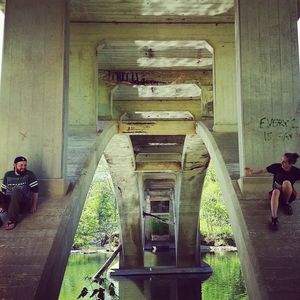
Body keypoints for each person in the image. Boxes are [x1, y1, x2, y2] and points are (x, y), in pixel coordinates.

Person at [245, 152, 300, 230]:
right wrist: (252, 172)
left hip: (289, 195)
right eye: (281, 160)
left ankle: (286, 204)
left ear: (290, 163)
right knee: (276, 191)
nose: (282, 163)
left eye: (284, 162)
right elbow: (263, 170)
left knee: (286, 183)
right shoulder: (276, 167)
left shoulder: (296, 171)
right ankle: (274, 219)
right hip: (275, 196)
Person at [0, 156, 39, 230]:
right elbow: (3, 191)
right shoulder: (8, 174)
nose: (23, 167)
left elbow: (35, 191)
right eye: (21, 165)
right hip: (10, 203)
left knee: (16, 189)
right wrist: (2, 205)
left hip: (23, 204)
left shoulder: (30, 174)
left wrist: (34, 206)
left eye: (25, 165)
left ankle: (12, 220)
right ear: (14, 165)